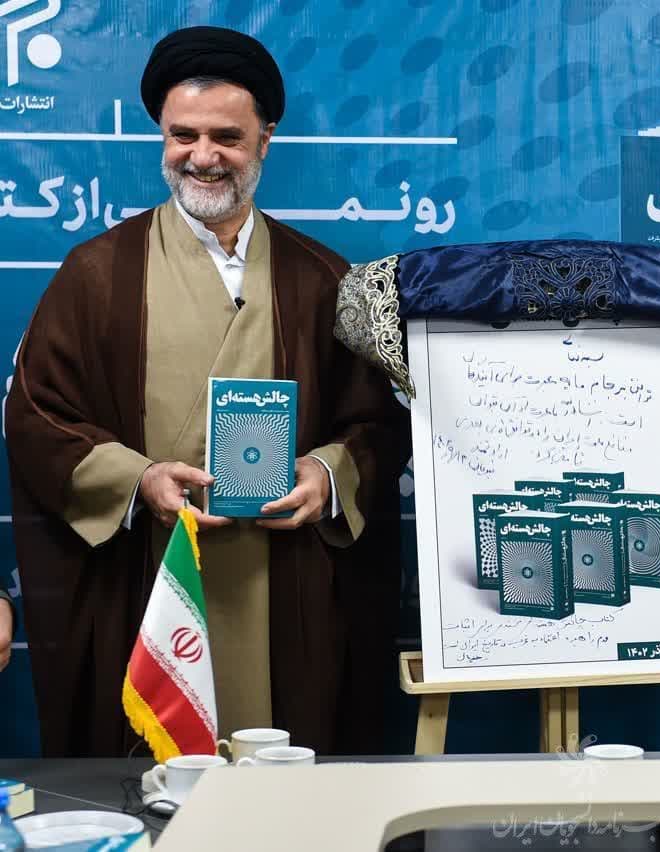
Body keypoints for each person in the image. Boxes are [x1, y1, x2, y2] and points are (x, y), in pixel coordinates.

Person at [4, 26, 410, 757]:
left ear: (265, 141)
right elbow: (38, 415)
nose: (202, 156)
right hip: (152, 575)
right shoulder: (96, 275)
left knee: (283, 776)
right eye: (182, 135)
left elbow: (376, 423)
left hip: (284, 582)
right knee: (157, 784)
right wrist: (140, 480)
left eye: (227, 137)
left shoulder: (322, 278)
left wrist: (326, 475)